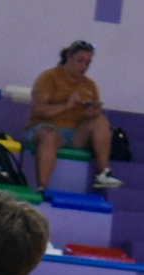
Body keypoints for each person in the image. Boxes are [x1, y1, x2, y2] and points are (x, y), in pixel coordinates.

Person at [27, 40, 122, 190]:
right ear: (69, 56)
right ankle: (42, 187)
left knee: (100, 120)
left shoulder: (90, 85)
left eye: (87, 63)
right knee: (48, 136)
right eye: (80, 61)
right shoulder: (49, 77)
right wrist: (66, 105)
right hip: (47, 128)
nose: (83, 67)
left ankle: (104, 173)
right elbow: (38, 110)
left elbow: (94, 117)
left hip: (76, 132)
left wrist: (92, 112)